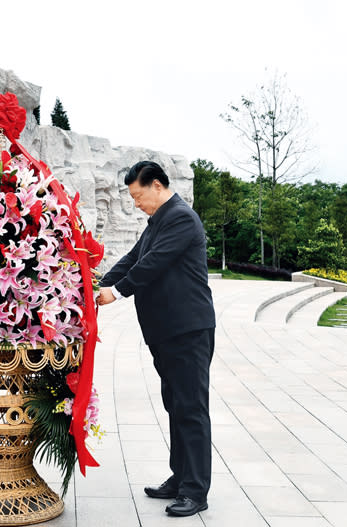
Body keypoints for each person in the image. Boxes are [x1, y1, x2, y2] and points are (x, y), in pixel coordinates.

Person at [97, 160, 215, 517]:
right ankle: (180, 479)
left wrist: (115, 293)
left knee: (191, 409)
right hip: (167, 332)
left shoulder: (180, 217)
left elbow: (153, 264)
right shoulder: (158, 222)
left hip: (187, 330)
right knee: (176, 406)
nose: (135, 203)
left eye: (138, 195)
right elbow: (134, 258)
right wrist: (98, 284)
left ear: (158, 186)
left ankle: (195, 491)